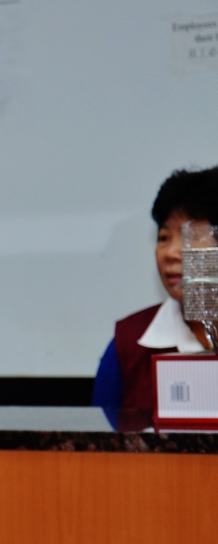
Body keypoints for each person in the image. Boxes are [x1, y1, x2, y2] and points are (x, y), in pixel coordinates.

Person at [93, 166, 218, 413]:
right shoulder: (129, 344)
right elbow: (96, 433)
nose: (170, 253)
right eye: (164, 238)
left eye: (190, 237)